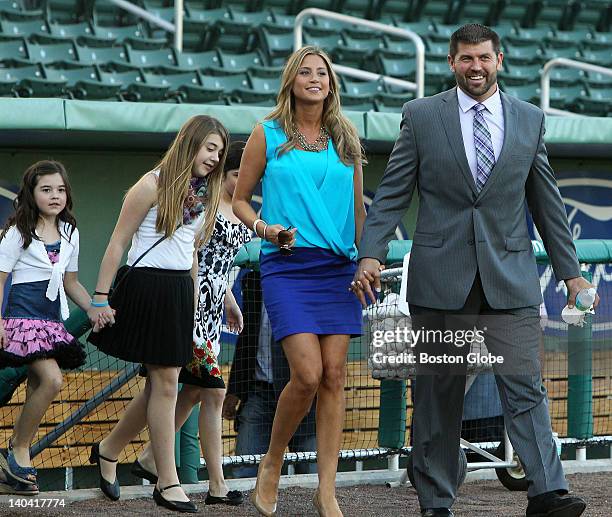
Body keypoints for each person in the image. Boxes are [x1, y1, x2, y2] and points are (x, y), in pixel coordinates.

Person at [352, 24, 598, 517]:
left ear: (499, 60)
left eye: (484, 57)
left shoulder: (529, 119)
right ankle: (437, 500)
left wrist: (571, 275)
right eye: (466, 59)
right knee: (439, 396)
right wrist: (371, 254)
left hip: (510, 278)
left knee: (525, 384)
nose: (476, 67)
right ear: (452, 63)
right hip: (442, 280)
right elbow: (394, 193)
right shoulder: (421, 116)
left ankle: (547, 492)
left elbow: (548, 205)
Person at [233, 45, 366, 517]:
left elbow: (358, 210)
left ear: (331, 83)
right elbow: (241, 201)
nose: (315, 79)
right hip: (287, 266)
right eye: (305, 72)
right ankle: (272, 464)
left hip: (338, 268)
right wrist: (266, 229)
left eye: (322, 73)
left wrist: (365, 260)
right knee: (306, 374)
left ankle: (326, 490)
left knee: (334, 376)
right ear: (291, 80)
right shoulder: (265, 134)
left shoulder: (346, 138)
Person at [86, 115, 229, 513]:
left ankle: (109, 449)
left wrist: (196, 303)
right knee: (167, 383)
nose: (216, 157)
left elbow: (193, 251)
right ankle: (167, 481)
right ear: (190, 143)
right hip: (148, 288)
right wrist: (99, 297)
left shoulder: (205, 192)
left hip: (181, 291)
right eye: (210, 148)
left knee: (160, 385)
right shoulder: (151, 183)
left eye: (220, 151)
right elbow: (118, 242)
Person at [132, 140, 250, 507]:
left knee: (199, 390)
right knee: (207, 389)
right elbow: (192, 250)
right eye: (235, 173)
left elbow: (223, 263)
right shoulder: (209, 202)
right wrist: (199, 297)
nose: (242, 180)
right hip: (191, 298)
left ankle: (152, 457)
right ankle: (212, 482)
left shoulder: (242, 207)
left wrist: (228, 299)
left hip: (216, 304)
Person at [0, 161, 90, 495]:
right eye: (46, 189)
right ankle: (18, 448)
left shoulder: (70, 233)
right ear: (31, 194)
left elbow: (72, 282)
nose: (55, 196)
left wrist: (95, 309)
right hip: (22, 322)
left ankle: (13, 474)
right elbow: (1, 279)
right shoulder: (18, 232)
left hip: (52, 324)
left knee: (41, 385)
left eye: (60, 189)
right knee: (53, 380)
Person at [223, 270, 317, 479]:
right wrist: (235, 390)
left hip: (303, 397)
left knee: (312, 475)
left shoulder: (311, 277)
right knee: (244, 473)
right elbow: (247, 337)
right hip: (259, 393)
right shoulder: (255, 280)